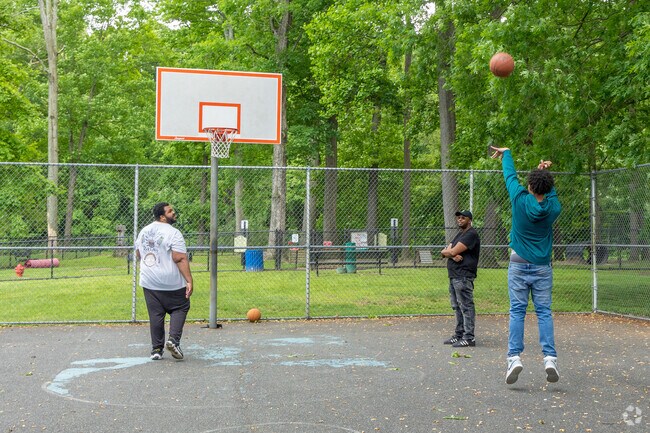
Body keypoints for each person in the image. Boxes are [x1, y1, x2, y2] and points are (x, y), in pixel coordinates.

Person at [490, 146, 562, 385]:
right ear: (547, 188)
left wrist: (507, 153)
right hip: (542, 267)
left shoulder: (519, 199)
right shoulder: (553, 208)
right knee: (544, 312)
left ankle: (514, 357)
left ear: (529, 187)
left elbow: (509, 176)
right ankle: (550, 358)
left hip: (518, 264)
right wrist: (544, 176)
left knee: (517, 311)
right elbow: (549, 195)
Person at [136, 202, 194, 360]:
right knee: (181, 306)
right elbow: (179, 258)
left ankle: (156, 350)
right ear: (162, 216)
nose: (173, 212)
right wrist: (189, 280)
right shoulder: (174, 233)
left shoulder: (144, 231)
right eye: (170, 211)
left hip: (149, 281)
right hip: (170, 281)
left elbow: (138, 254)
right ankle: (173, 340)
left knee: (156, 314)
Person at [440, 210, 481, 348]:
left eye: (463, 217)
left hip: (463, 275)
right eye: (458, 217)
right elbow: (445, 251)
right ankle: (459, 334)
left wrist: (450, 253)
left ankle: (469, 337)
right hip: (454, 275)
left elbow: (450, 250)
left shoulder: (471, 234)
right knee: (457, 306)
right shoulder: (460, 235)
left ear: (469, 220)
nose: (460, 219)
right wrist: (451, 255)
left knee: (466, 306)